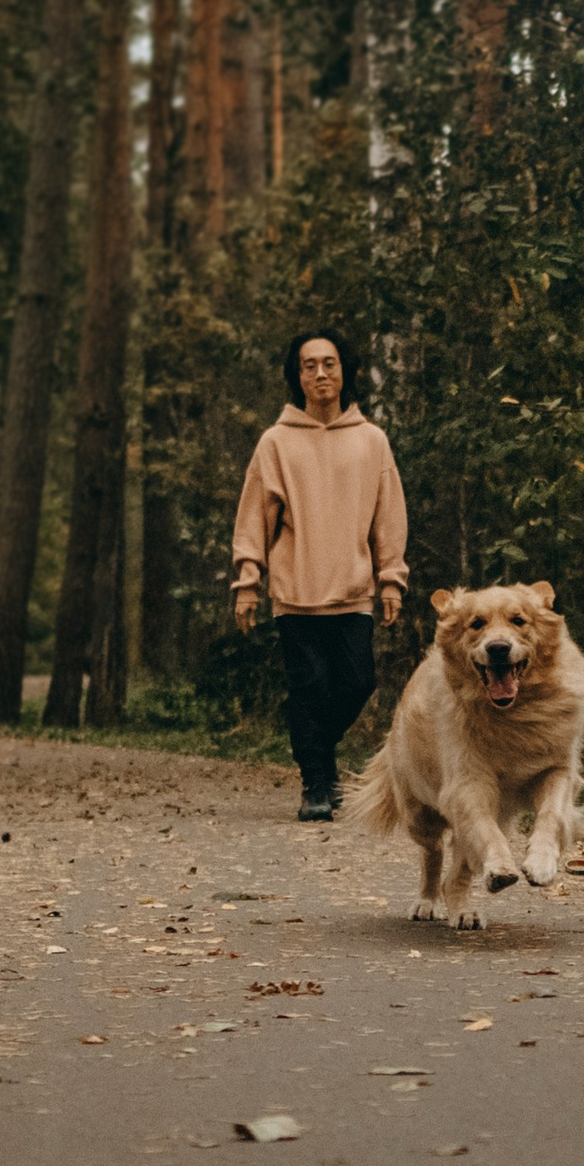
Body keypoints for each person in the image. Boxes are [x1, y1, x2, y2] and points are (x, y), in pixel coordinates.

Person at [230, 332, 408, 821]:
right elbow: (254, 516)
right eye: (309, 366)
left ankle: (317, 755)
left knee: (357, 683)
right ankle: (315, 784)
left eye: (329, 364)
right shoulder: (276, 442)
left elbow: (387, 515)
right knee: (309, 687)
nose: (321, 374)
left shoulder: (372, 440)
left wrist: (391, 577)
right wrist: (248, 582)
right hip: (296, 594)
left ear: (344, 371)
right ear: (298, 375)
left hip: (354, 592)